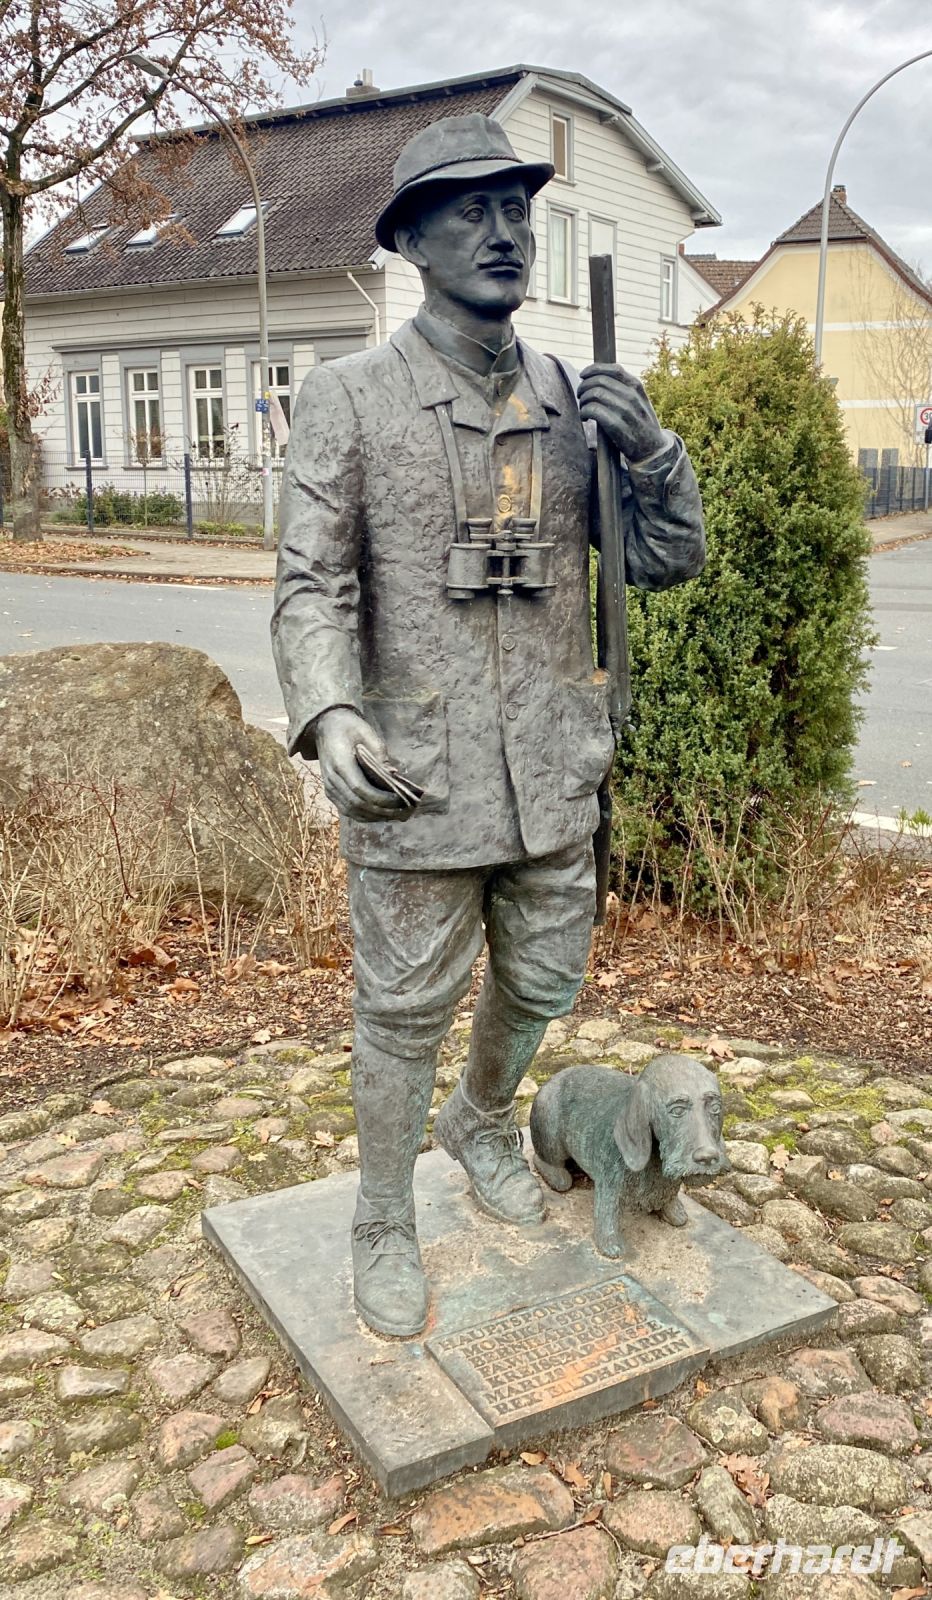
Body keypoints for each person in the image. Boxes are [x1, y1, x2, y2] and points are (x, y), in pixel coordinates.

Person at [272, 113, 706, 1338]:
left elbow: (665, 564)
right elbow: (312, 587)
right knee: (401, 1005)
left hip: (553, 765)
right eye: (471, 209)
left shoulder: (580, 399)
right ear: (409, 237)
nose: (504, 230)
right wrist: (329, 709)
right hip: (416, 768)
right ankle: (382, 1214)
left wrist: (652, 454)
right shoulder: (349, 400)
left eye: (517, 207)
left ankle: (478, 1116)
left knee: (544, 976)